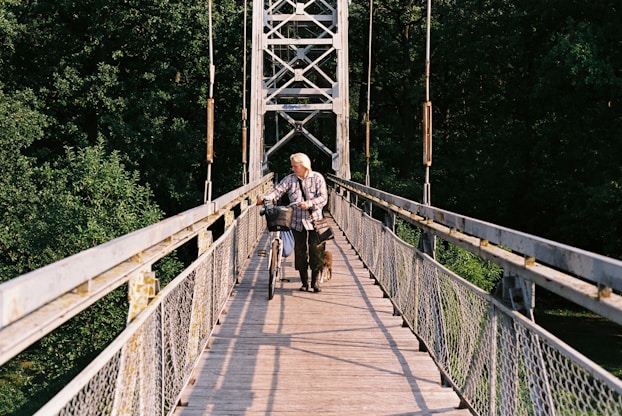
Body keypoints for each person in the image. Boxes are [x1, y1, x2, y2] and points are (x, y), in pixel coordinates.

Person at [257, 153, 328, 293]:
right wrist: (264, 198)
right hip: (296, 221)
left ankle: (315, 282)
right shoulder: (290, 179)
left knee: (317, 250)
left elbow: (323, 198)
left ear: (303, 166)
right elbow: (277, 191)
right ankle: (304, 282)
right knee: (300, 251)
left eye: (295, 166)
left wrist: (309, 204)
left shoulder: (317, 178)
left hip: (315, 220)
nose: (293, 168)